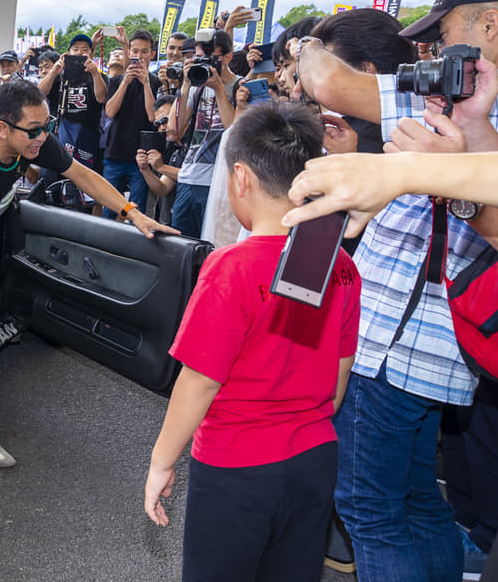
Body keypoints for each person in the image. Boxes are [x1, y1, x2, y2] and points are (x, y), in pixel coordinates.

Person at [296, 0, 498, 580]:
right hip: (444, 341)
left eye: (445, 39)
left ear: (491, 26)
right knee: (420, 505)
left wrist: (310, 43)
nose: (434, 60)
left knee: (369, 508)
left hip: (399, 339)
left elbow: (331, 85)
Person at [0, 79, 177, 466]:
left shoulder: (31, 137)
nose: (45, 137)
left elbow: (82, 175)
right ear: (3, 128)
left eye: (48, 125)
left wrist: (132, 214)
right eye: (35, 130)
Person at [144, 102, 360, 582]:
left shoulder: (231, 267)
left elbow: (199, 380)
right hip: (314, 456)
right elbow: (340, 375)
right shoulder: (342, 266)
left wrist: (162, 461)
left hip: (235, 466)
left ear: (240, 177)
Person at [169, 29, 236, 237]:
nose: (204, 63)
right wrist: (186, 86)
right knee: (181, 246)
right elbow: (175, 130)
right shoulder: (196, 88)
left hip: (217, 182)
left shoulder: (240, 86)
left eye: (210, 58)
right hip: (188, 177)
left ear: (227, 57)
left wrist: (218, 89)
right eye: (199, 58)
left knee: (210, 245)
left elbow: (233, 130)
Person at [101, 27, 162, 219]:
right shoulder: (117, 80)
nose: (139, 56)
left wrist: (145, 83)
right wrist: (125, 82)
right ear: (129, 52)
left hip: (141, 157)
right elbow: (110, 111)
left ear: (152, 54)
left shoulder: (156, 82)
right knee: (109, 208)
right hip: (115, 153)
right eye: (135, 51)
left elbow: (153, 116)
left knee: (137, 211)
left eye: (144, 52)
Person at [38, 33, 108, 173]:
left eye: (84, 49)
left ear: (91, 54)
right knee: (51, 176)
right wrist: (53, 72)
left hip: (86, 136)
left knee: (82, 178)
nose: (79, 52)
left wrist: (95, 73)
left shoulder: (98, 76)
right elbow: (39, 94)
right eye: (75, 49)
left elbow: (101, 98)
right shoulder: (59, 76)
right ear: (68, 53)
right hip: (59, 134)